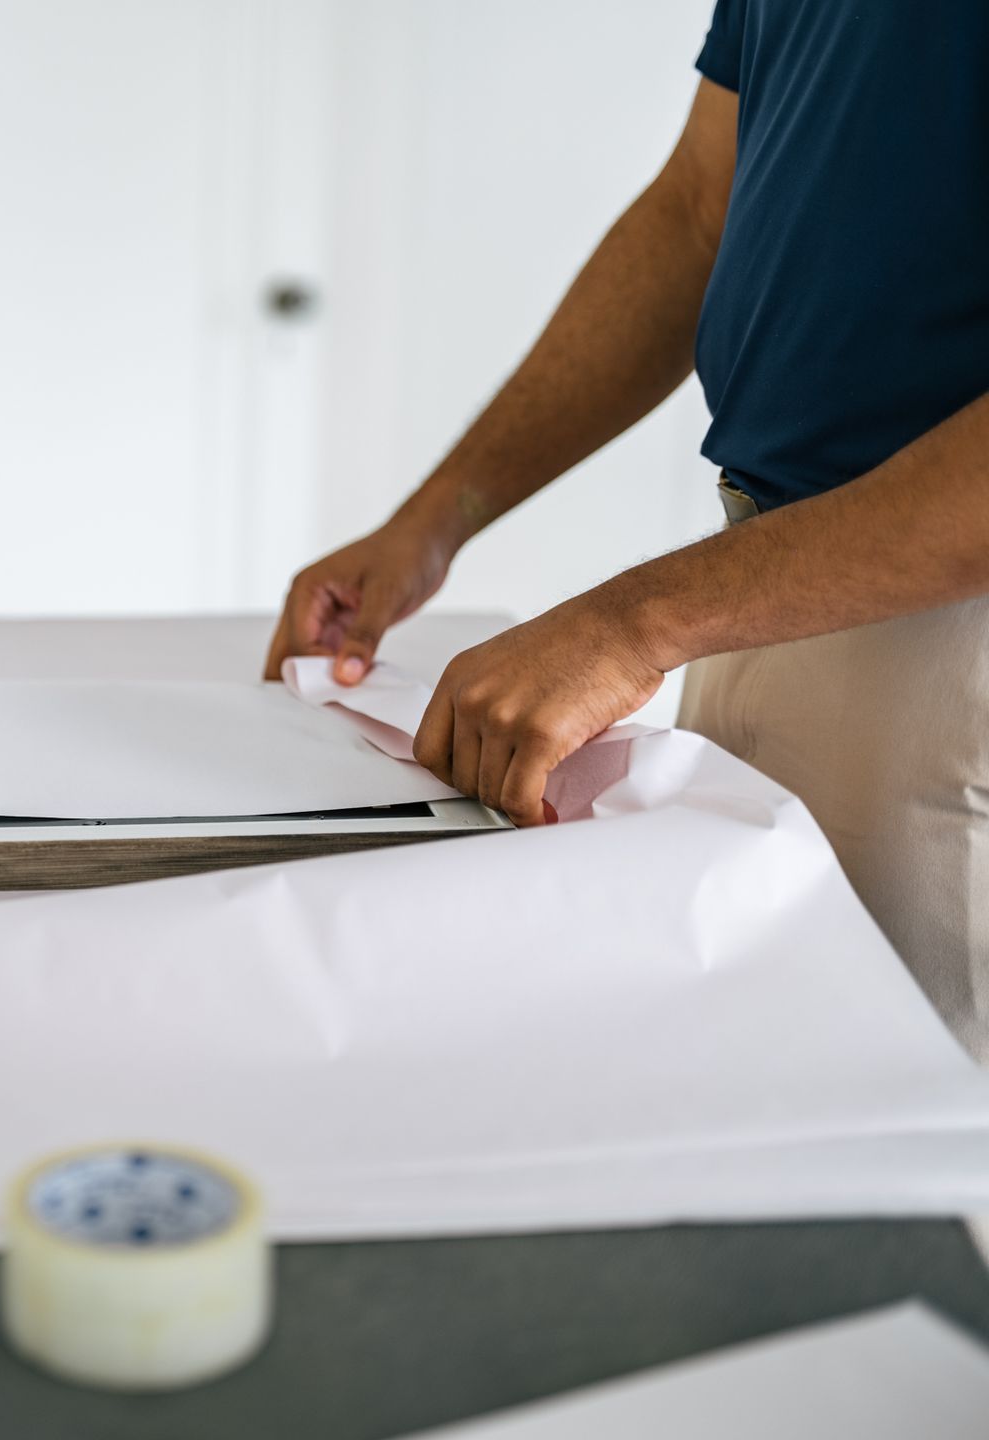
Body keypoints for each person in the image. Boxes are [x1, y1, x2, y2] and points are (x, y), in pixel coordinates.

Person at [265, 0, 989, 1056]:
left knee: (920, 1127)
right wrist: (436, 522)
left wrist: (629, 625)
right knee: (753, 1080)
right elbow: (699, 210)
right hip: (762, 600)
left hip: (948, 649)